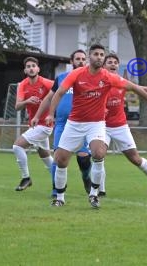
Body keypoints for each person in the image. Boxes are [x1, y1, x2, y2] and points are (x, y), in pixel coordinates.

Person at [42, 44, 147, 208]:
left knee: (99, 153)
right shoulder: (77, 74)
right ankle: (59, 198)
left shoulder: (109, 77)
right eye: (96, 54)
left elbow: (135, 87)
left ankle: (94, 195)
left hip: (98, 124)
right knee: (60, 159)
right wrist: (51, 114)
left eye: (102, 54)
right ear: (89, 56)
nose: (99, 57)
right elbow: (59, 93)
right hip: (74, 124)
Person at [102, 53, 147, 195]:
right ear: (103, 66)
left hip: (120, 126)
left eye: (115, 62)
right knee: (98, 155)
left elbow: (141, 89)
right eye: (109, 62)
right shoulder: (98, 83)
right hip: (101, 126)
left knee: (135, 159)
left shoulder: (121, 81)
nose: (113, 64)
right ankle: (99, 191)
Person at [32, 49, 94, 196]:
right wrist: (39, 115)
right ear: (71, 62)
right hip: (62, 124)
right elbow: (48, 98)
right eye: (77, 59)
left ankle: (86, 177)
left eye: (83, 59)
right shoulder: (61, 78)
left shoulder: (90, 79)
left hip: (82, 124)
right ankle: (56, 190)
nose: (80, 61)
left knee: (84, 159)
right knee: (59, 158)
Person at [12, 57, 54, 191]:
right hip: (34, 125)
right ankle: (59, 181)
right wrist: (27, 101)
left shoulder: (46, 83)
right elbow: (17, 106)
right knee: (45, 156)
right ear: (25, 70)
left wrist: (52, 113)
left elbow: (60, 92)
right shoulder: (22, 85)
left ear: (38, 69)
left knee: (17, 146)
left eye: (33, 66)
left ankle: (26, 178)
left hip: (45, 125)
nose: (31, 68)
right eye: (28, 66)